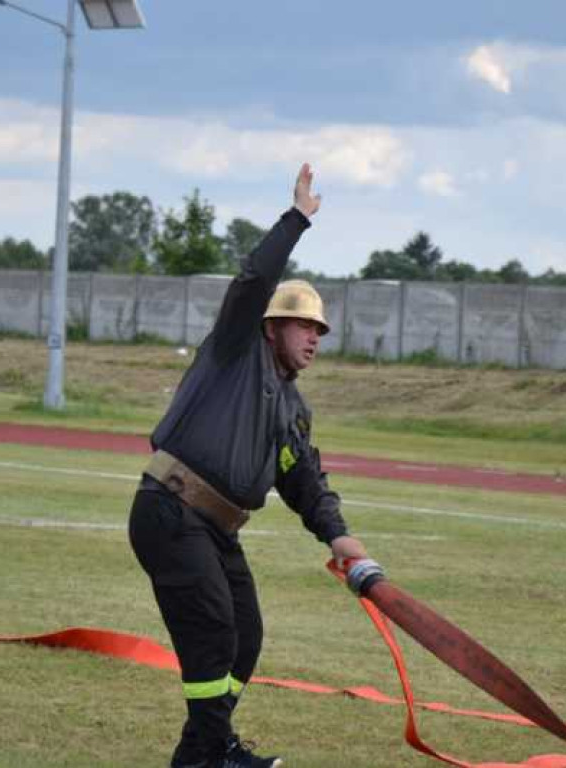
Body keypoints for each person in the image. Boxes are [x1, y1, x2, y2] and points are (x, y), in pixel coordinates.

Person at [128, 164, 378, 768]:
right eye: (303, 324)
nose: (315, 337)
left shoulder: (293, 407)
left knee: (245, 637)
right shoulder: (234, 349)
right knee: (215, 632)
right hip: (171, 510)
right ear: (272, 326)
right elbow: (253, 277)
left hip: (215, 528)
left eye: (320, 329)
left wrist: (343, 539)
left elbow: (305, 484)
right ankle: (211, 756)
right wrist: (297, 219)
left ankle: (204, 754)